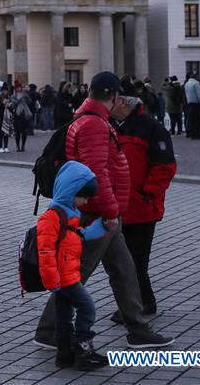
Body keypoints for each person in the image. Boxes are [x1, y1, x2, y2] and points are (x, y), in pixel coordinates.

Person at [34, 71, 173, 350]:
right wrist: (111, 211)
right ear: (114, 96)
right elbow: (97, 171)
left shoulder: (87, 118)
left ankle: (137, 327)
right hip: (99, 212)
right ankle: (49, 329)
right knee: (78, 272)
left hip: (103, 211)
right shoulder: (95, 124)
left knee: (124, 270)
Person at [109, 90, 176, 320]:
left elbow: (165, 167)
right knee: (125, 261)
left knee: (135, 261)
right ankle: (142, 302)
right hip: (122, 207)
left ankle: (138, 305)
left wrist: (146, 194)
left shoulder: (151, 128)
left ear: (125, 102)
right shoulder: (116, 126)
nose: (110, 107)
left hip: (142, 208)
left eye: (113, 102)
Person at [38, 161, 108, 370]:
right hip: (64, 278)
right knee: (87, 307)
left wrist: (101, 226)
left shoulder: (69, 215)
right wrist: (52, 281)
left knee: (64, 315)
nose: (86, 201)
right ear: (70, 192)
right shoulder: (53, 217)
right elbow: (45, 250)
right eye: (84, 196)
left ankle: (64, 354)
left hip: (66, 275)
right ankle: (83, 348)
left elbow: (79, 237)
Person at [10, 82, 33, 152]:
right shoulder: (13, 96)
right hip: (17, 115)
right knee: (17, 132)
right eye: (17, 88)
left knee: (24, 132)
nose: (19, 89)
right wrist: (21, 98)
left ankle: (23, 145)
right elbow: (14, 104)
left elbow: (30, 102)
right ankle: (17, 146)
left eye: (19, 87)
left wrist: (27, 96)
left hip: (24, 115)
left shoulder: (25, 94)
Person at [184, 72, 200, 139]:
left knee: (191, 119)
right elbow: (199, 95)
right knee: (197, 120)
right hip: (196, 104)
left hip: (189, 103)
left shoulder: (186, 84)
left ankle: (192, 133)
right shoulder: (196, 83)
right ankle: (197, 134)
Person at [0, 87, 13, 153]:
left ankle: (6, 147)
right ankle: (0, 147)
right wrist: (3, 103)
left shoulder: (9, 97)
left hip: (7, 117)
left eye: (6, 91)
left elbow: (11, 108)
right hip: (0, 117)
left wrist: (9, 105)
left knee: (6, 132)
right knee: (1, 132)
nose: (5, 92)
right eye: (4, 90)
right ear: (2, 91)